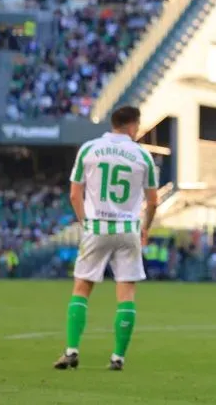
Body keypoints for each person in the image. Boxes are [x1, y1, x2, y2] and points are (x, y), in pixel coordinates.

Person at [54, 106, 159, 372]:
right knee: (126, 293)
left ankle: (71, 351)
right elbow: (153, 200)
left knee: (82, 288)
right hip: (127, 229)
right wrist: (145, 228)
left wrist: (84, 221)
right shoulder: (142, 156)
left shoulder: (89, 149)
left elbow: (74, 195)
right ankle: (118, 358)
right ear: (133, 126)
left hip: (97, 227)